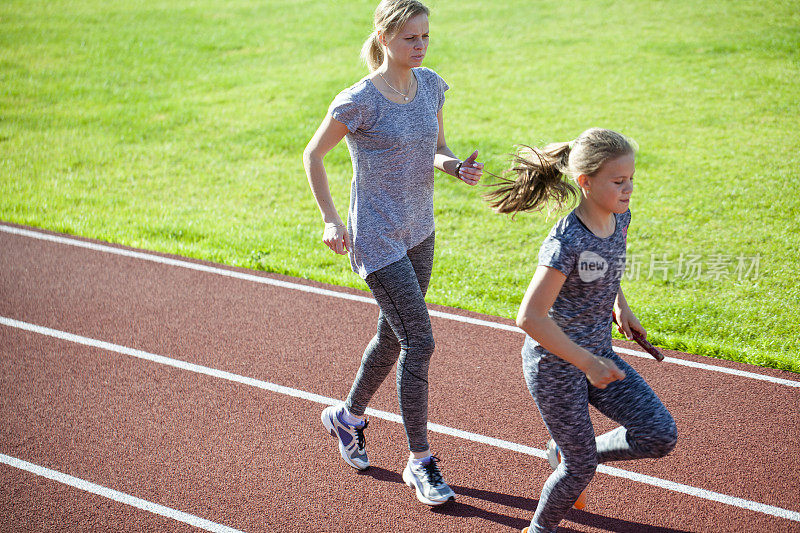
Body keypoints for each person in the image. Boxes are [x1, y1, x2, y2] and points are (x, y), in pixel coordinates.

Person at [302, 0, 483, 506]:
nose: (421, 46)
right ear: (385, 38)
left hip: (419, 230)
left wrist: (453, 168)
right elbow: (314, 155)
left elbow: (436, 147)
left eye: (426, 36)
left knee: (392, 334)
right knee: (419, 342)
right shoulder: (358, 100)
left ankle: (347, 416)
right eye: (411, 38)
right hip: (377, 238)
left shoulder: (431, 85)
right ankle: (420, 460)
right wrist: (331, 220)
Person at [484, 128, 677, 532]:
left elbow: (604, 267)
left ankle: (564, 450)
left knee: (659, 434)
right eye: (618, 181)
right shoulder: (564, 242)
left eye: (630, 180)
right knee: (581, 465)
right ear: (585, 182)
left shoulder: (620, 218)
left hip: (596, 355)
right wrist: (587, 361)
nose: (627, 190)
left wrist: (620, 306)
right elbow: (530, 317)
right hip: (555, 366)